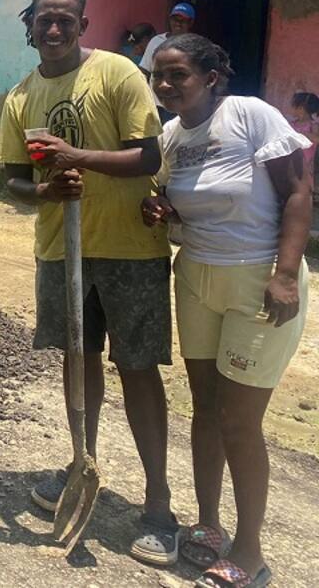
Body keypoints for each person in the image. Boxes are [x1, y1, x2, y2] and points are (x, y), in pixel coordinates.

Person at [0, 0, 178, 564]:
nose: (54, 30)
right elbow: (13, 181)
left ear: (83, 24)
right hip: (60, 248)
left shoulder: (118, 75)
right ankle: (82, 465)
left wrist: (80, 158)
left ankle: (158, 504)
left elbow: (147, 156)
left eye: (65, 20)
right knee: (79, 365)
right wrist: (46, 189)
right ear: (29, 25)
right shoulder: (20, 97)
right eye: (43, 20)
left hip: (128, 250)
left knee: (137, 369)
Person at [143, 35, 311, 588]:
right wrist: (157, 207)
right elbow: (171, 202)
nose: (165, 86)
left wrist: (285, 274)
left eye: (178, 76)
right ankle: (209, 524)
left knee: (240, 422)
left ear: (212, 77)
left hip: (258, 279)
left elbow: (297, 192)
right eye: (158, 78)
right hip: (196, 276)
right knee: (205, 408)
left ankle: (252, 553)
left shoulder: (250, 115)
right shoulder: (170, 136)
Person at [139, 2, 196, 75]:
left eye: (182, 20)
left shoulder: (194, 45)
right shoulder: (157, 41)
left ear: (190, 22)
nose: (178, 23)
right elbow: (144, 70)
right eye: (175, 19)